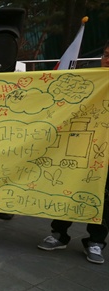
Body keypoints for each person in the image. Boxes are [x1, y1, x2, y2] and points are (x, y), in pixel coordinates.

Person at [37, 40, 109, 264]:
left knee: (101, 196)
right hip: (77, 148)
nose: (108, 59)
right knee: (66, 187)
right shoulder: (87, 81)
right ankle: (59, 234)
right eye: (106, 54)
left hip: (104, 155)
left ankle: (95, 241)